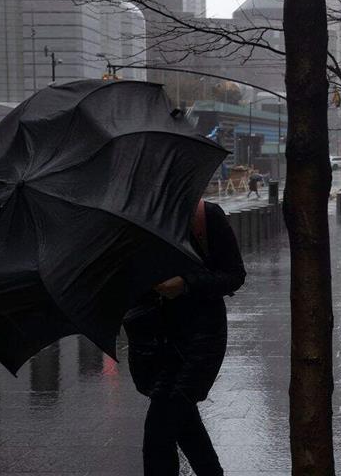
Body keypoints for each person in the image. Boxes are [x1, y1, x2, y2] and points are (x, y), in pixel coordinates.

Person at [124, 200, 246, 476]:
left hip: (200, 341)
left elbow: (234, 275)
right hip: (157, 343)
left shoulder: (204, 216)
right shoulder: (136, 218)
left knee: (158, 434)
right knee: (186, 428)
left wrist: (186, 283)